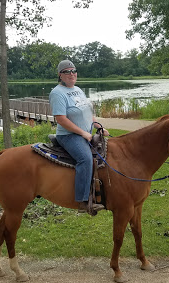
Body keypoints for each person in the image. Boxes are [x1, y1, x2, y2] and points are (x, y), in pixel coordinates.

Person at [49, 60, 109, 213]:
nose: (71, 74)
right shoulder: (57, 93)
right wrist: (82, 133)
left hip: (86, 133)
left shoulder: (78, 89)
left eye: (74, 70)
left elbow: (88, 113)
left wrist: (99, 126)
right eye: (67, 71)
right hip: (69, 136)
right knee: (85, 158)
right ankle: (82, 201)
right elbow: (61, 119)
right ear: (60, 75)